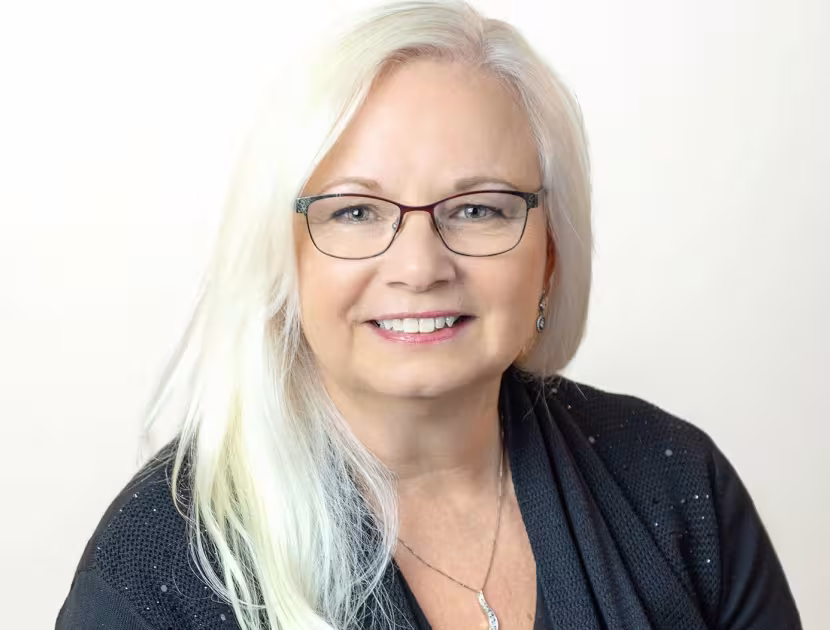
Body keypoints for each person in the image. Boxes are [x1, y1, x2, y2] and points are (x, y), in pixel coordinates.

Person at [55, 1, 801, 629]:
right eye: (355, 210)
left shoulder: (675, 485)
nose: (418, 267)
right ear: (284, 258)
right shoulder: (154, 571)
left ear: (548, 256)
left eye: (478, 208)